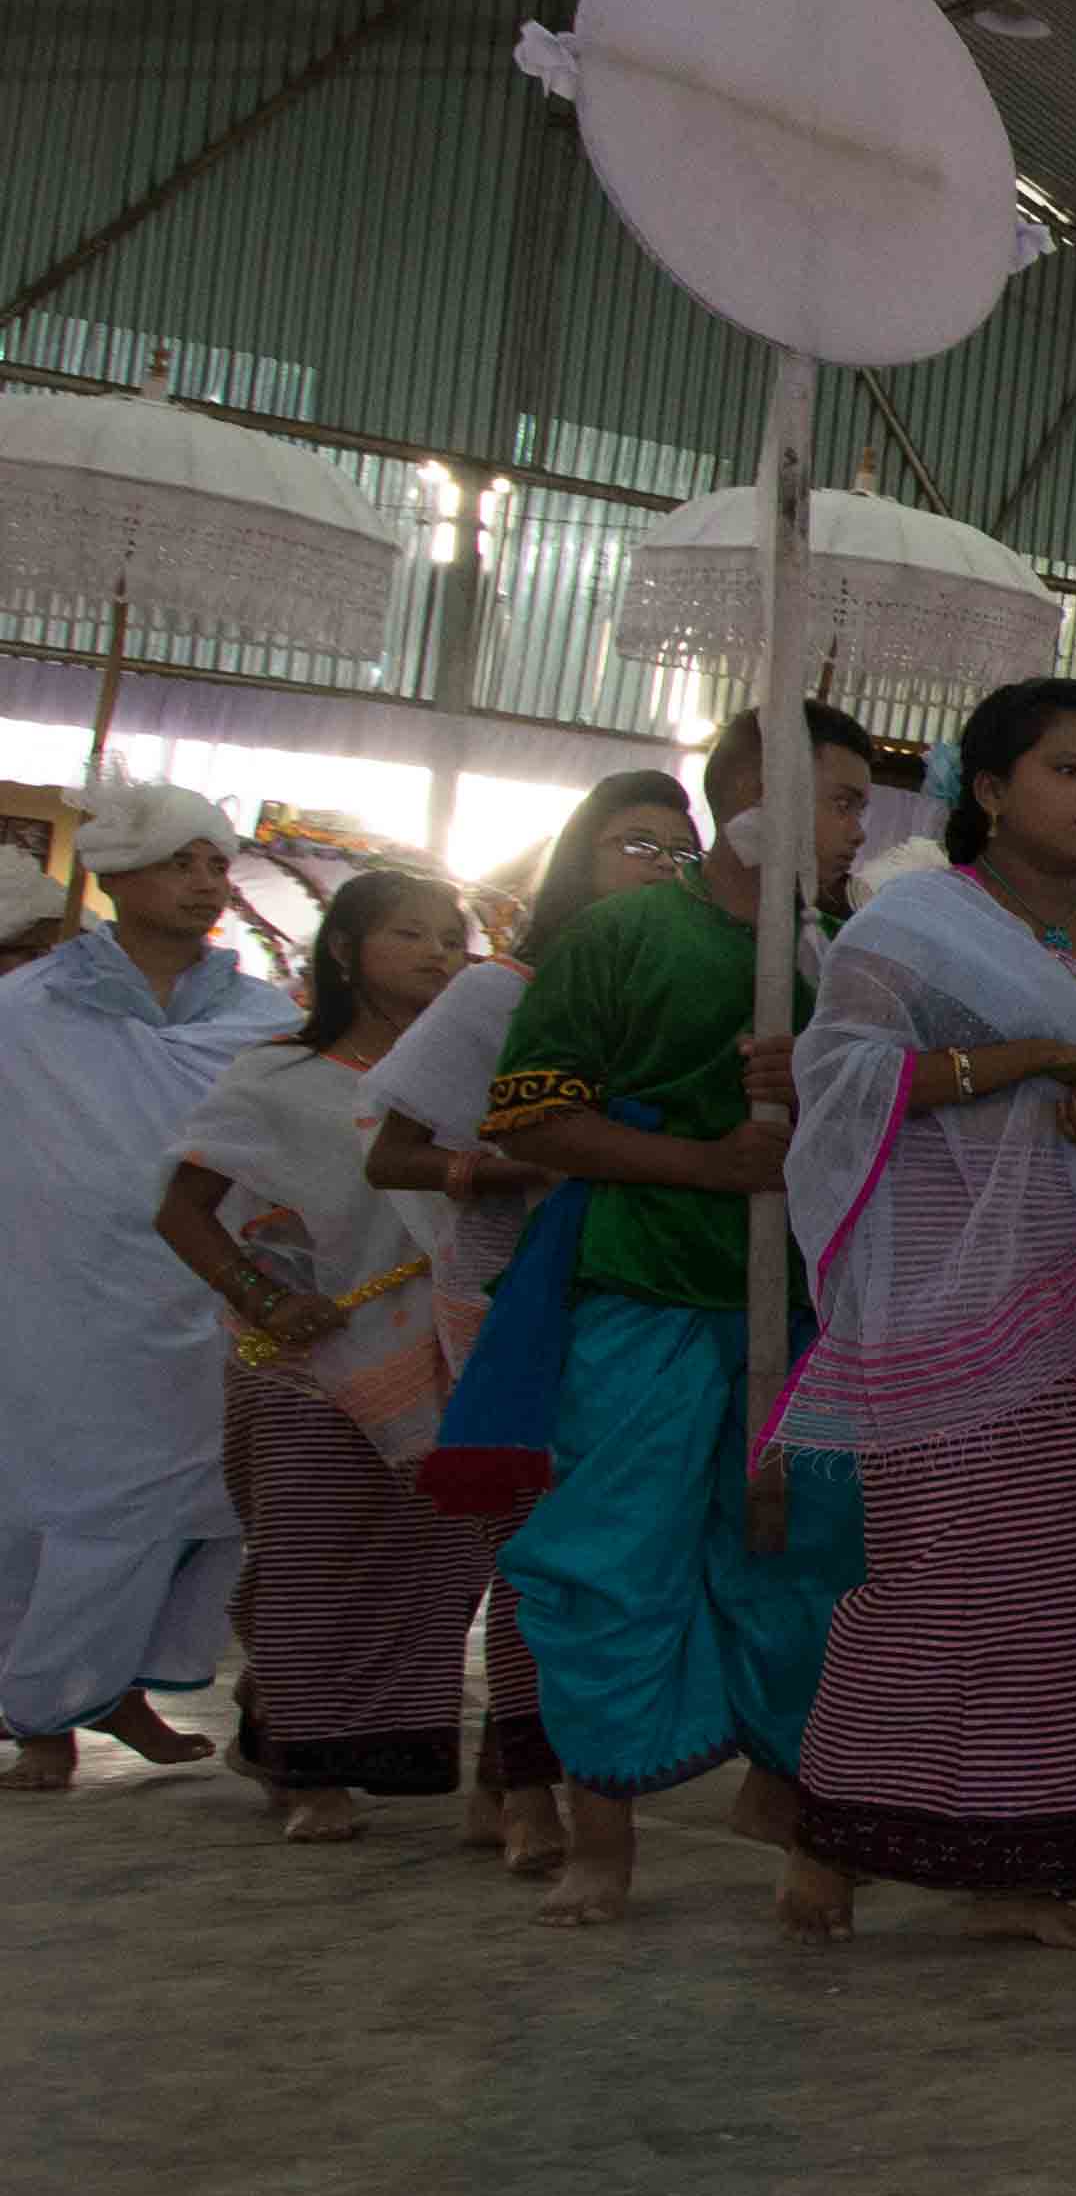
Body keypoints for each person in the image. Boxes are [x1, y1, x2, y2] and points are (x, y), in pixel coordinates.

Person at [774, 681, 1076, 1960]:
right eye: (1067, 767)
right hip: (958, 1314)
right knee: (937, 1587)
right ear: (992, 788)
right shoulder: (914, 922)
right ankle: (827, 1842)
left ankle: (1031, 1863)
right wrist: (1034, 1068)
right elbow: (841, 1082)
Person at [479, 706, 879, 1927]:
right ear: (755, 791)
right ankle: (605, 1835)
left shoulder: (852, 955)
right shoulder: (623, 934)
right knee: (614, 1554)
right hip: (644, 1293)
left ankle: (799, 1799)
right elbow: (530, 1117)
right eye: (842, 797)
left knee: (809, 1554)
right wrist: (718, 1162)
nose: (859, 825)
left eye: (865, 802)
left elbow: (906, 1137)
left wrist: (815, 1091)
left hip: (811, 1307)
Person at [368, 772, 705, 1880]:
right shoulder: (499, 992)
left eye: (676, 847)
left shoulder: (691, 987)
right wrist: (532, 1158)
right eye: (633, 844)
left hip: (647, 1286)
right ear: (578, 858)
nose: (657, 866)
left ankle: (509, 1770)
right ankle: (528, 1784)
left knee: (610, 1541)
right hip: (516, 1292)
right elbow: (392, 1153)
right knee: (539, 1547)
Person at [160, 868, 490, 1839]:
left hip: (441, 1355)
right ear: (343, 951)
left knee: (432, 1561)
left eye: (450, 935)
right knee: (312, 1558)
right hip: (304, 1359)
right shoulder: (276, 1075)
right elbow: (180, 1208)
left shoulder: (475, 1088)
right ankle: (311, 1766)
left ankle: (296, 1725)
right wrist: (263, 1294)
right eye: (408, 933)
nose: (437, 952)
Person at [1, 784, 286, 1789]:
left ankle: (109, 1688)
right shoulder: (25, 1010)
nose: (207, 882)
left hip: (207, 1297)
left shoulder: (264, 1017)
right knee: (65, 1505)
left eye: (217, 863)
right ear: (115, 874)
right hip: (62, 1302)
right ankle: (44, 1717)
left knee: (204, 1509)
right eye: (182, 862)